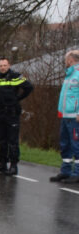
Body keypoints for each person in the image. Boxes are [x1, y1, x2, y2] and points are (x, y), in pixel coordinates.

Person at [0, 57, 34, 176]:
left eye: (5, 65)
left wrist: (17, 99)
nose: (3, 67)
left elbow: (29, 87)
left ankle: (13, 166)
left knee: (12, 141)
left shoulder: (15, 76)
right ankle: (2, 164)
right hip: (0, 113)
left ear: (9, 65)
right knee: (2, 140)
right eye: (1, 65)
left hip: (12, 112)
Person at [50, 50, 79, 184]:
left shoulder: (78, 74)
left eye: (66, 59)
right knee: (65, 144)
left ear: (70, 60)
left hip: (75, 117)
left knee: (76, 144)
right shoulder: (69, 75)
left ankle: (77, 172)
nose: (65, 61)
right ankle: (66, 171)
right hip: (65, 115)